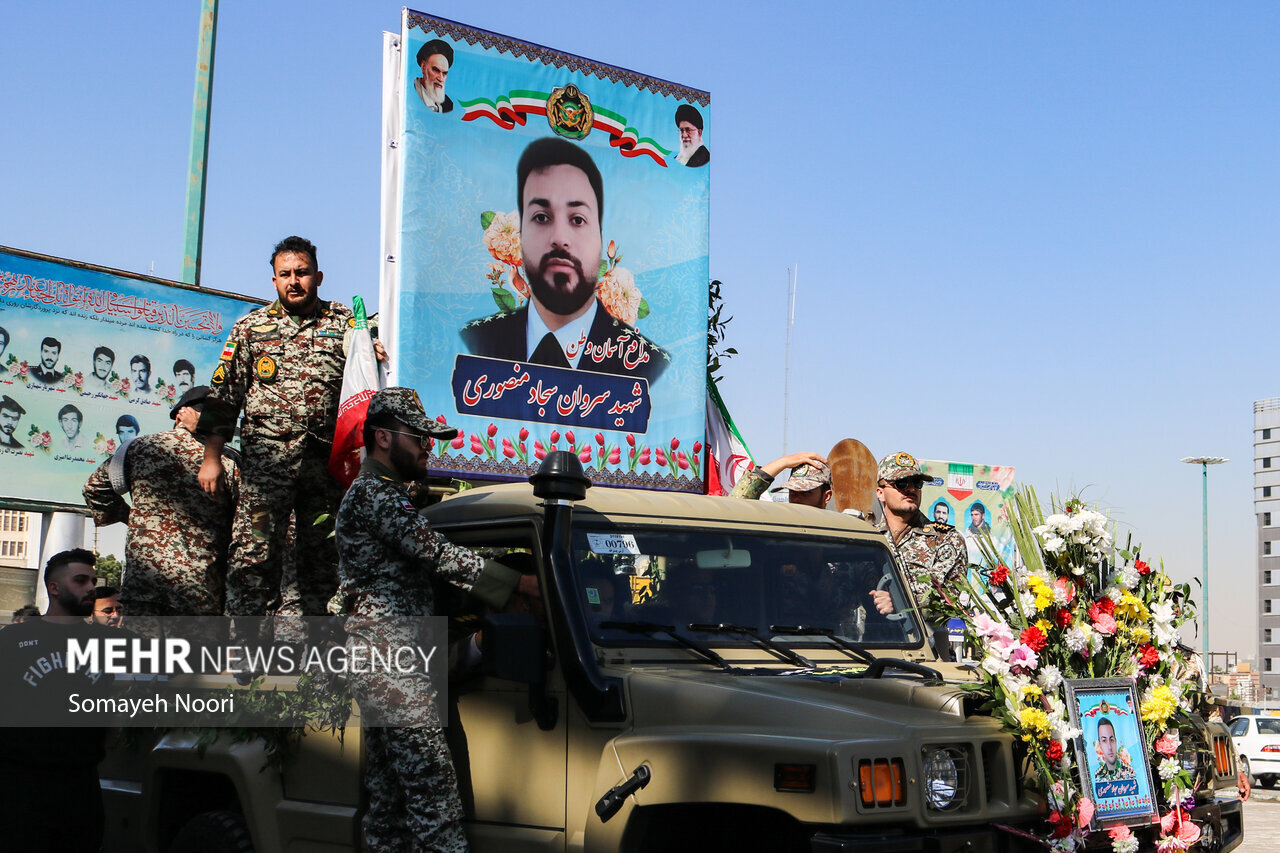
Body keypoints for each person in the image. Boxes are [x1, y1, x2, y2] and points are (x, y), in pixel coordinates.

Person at [332, 386, 537, 852]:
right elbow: (437, 553)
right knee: (436, 807)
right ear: (383, 437)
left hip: (388, 658)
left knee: (387, 808)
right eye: (419, 436)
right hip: (392, 662)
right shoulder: (374, 495)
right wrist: (520, 584)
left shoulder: (387, 495)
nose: (429, 445)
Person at [460, 138, 670, 382]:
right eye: (541, 217)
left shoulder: (650, 368)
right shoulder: (476, 343)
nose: (560, 238)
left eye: (578, 219)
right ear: (521, 234)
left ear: (600, 238)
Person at [86, 386, 238, 631]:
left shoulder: (137, 449)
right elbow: (247, 530)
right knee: (191, 668)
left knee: (143, 666)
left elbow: (94, 488)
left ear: (179, 415)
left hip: (144, 590)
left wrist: (132, 518)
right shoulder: (228, 462)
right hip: (201, 594)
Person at [0, 549, 110, 852]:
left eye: (93, 581)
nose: (91, 588)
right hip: (22, 790)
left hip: (81, 788)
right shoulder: (10, 642)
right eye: (81, 580)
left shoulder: (111, 644)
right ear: (54, 588)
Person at [874, 452, 967, 646]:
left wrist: (897, 602)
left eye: (916, 483)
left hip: (924, 650)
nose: (910, 489)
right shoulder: (868, 538)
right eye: (901, 483)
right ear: (880, 492)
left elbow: (945, 601)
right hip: (868, 647)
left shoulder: (946, 539)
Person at [729, 451, 831, 508]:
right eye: (793, 492)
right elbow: (734, 507)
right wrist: (783, 462)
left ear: (826, 496)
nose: (796, 499)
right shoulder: (779, 527)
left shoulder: (837, 531)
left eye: (805, 493)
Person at [415, 38, 454, 112]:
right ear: (423, 67)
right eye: (436, 70)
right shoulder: (410, 91)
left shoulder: (448, 105)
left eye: (444, 73)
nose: (440, 78)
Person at [1093, 718, 1136, 782]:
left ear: (1115, 741)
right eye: (1104, 741)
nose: (1109, 747)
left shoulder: (1129, 771)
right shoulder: (1099, 775)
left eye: (1111, 740)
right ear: (1100, 745)